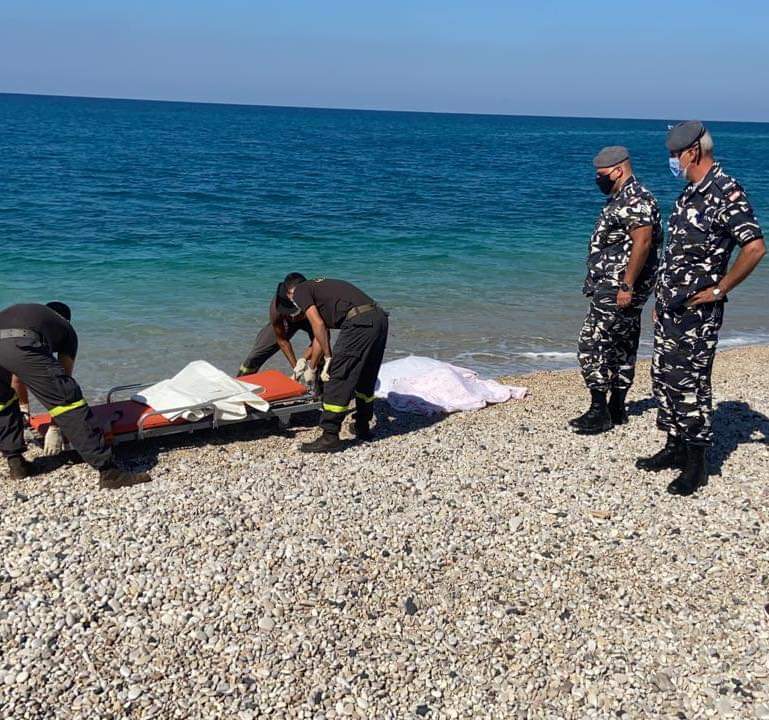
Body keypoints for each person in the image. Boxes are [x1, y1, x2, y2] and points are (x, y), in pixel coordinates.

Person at [636, 121, 765, 496]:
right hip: (671, 307)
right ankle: (674, 446)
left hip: (697, 312)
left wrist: (721, 288)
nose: (672, 160)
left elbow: (754, 247)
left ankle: (697, 464)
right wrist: (661, 298)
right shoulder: (690, 193)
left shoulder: (725, 191)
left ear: (692, 151)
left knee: (690, 383)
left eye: (674, 154)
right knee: (665, 378)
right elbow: (676, 254)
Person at [0, 302, 151, 489]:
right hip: (20, 344)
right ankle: (110, 473)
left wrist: (24, 410)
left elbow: (16, 378)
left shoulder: (31, 315)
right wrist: (55, 427)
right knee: (70, 401)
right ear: (66, 319)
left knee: (3, 402)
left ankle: (16, 464)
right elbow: (64, 388)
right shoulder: (66, 329)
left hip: (10, 342)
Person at [570, 146, 662, 434]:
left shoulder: (635, 199)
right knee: (623, 341)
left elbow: (643, 242)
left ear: (618, 170)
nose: (598, 179)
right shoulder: (624, 197)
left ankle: (599, 410)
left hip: (619, 284)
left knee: (592, 342)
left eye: (602, 174)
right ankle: (617, 408)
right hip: (619, 283)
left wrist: (626, 284)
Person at [283, 277, 388, 453]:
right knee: (365, 375)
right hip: (379, 319)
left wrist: (328, 357)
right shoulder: (321, 289)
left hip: (359, 323)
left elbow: (318, 324)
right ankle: (362, 426)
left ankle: (330, 436)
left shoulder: (300, 291)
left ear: (290, 293)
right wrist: (306, 361)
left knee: (338, 377)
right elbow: (320, 336)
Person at [236, 273, 317, 384]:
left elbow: (321, 337)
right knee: (255, 356)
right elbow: (282, 341)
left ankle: (319, 387)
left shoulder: (316, 298)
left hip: (310, 317)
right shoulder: (277, 307)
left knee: (320, 353)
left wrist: (304, 359)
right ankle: (240, 384)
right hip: (286, 321)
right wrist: (296, 369)